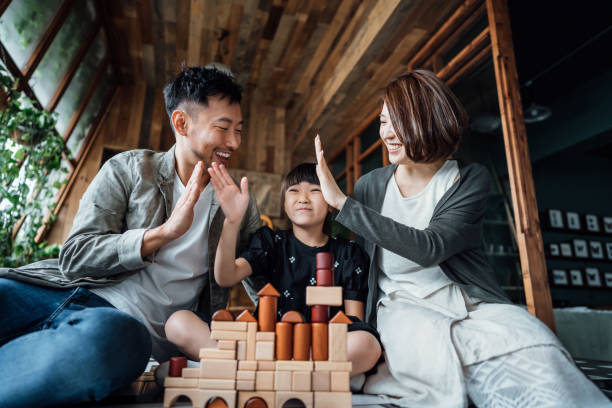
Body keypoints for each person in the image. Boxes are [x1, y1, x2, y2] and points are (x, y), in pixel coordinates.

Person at [313, 69, 609, 407]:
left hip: (465, 300)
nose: (387, 134)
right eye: (383, 122)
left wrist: (342, 204)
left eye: (398, 122)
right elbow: (353, 260)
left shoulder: (468, 179)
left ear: (428, 121)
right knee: (449, 352)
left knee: (532, 339)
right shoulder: (370, 186)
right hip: (400, 303)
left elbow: (431, 247)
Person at [0, 65, 261, 407]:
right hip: (58, 292)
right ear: (181, 123)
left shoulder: (237, 203)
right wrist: (163, 233)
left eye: (238, 130)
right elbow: (76, 255)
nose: (234, 142)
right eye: (223, 128)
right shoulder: (129, 169)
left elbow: (265, 270)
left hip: (121, 328)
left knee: (110, 341)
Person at [165, 162, 382, 375]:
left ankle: (253, 371)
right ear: (284, 203)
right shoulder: (271, 241)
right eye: (294, 191)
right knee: (178, 323)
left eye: (315, 191)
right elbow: (225, 276)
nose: (303, 198)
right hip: (262, 345)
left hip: (316, 351)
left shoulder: (349, 254)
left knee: (367, 344)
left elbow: (355, 321)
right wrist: (232, 222)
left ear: (330, 202)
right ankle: (269, 370)